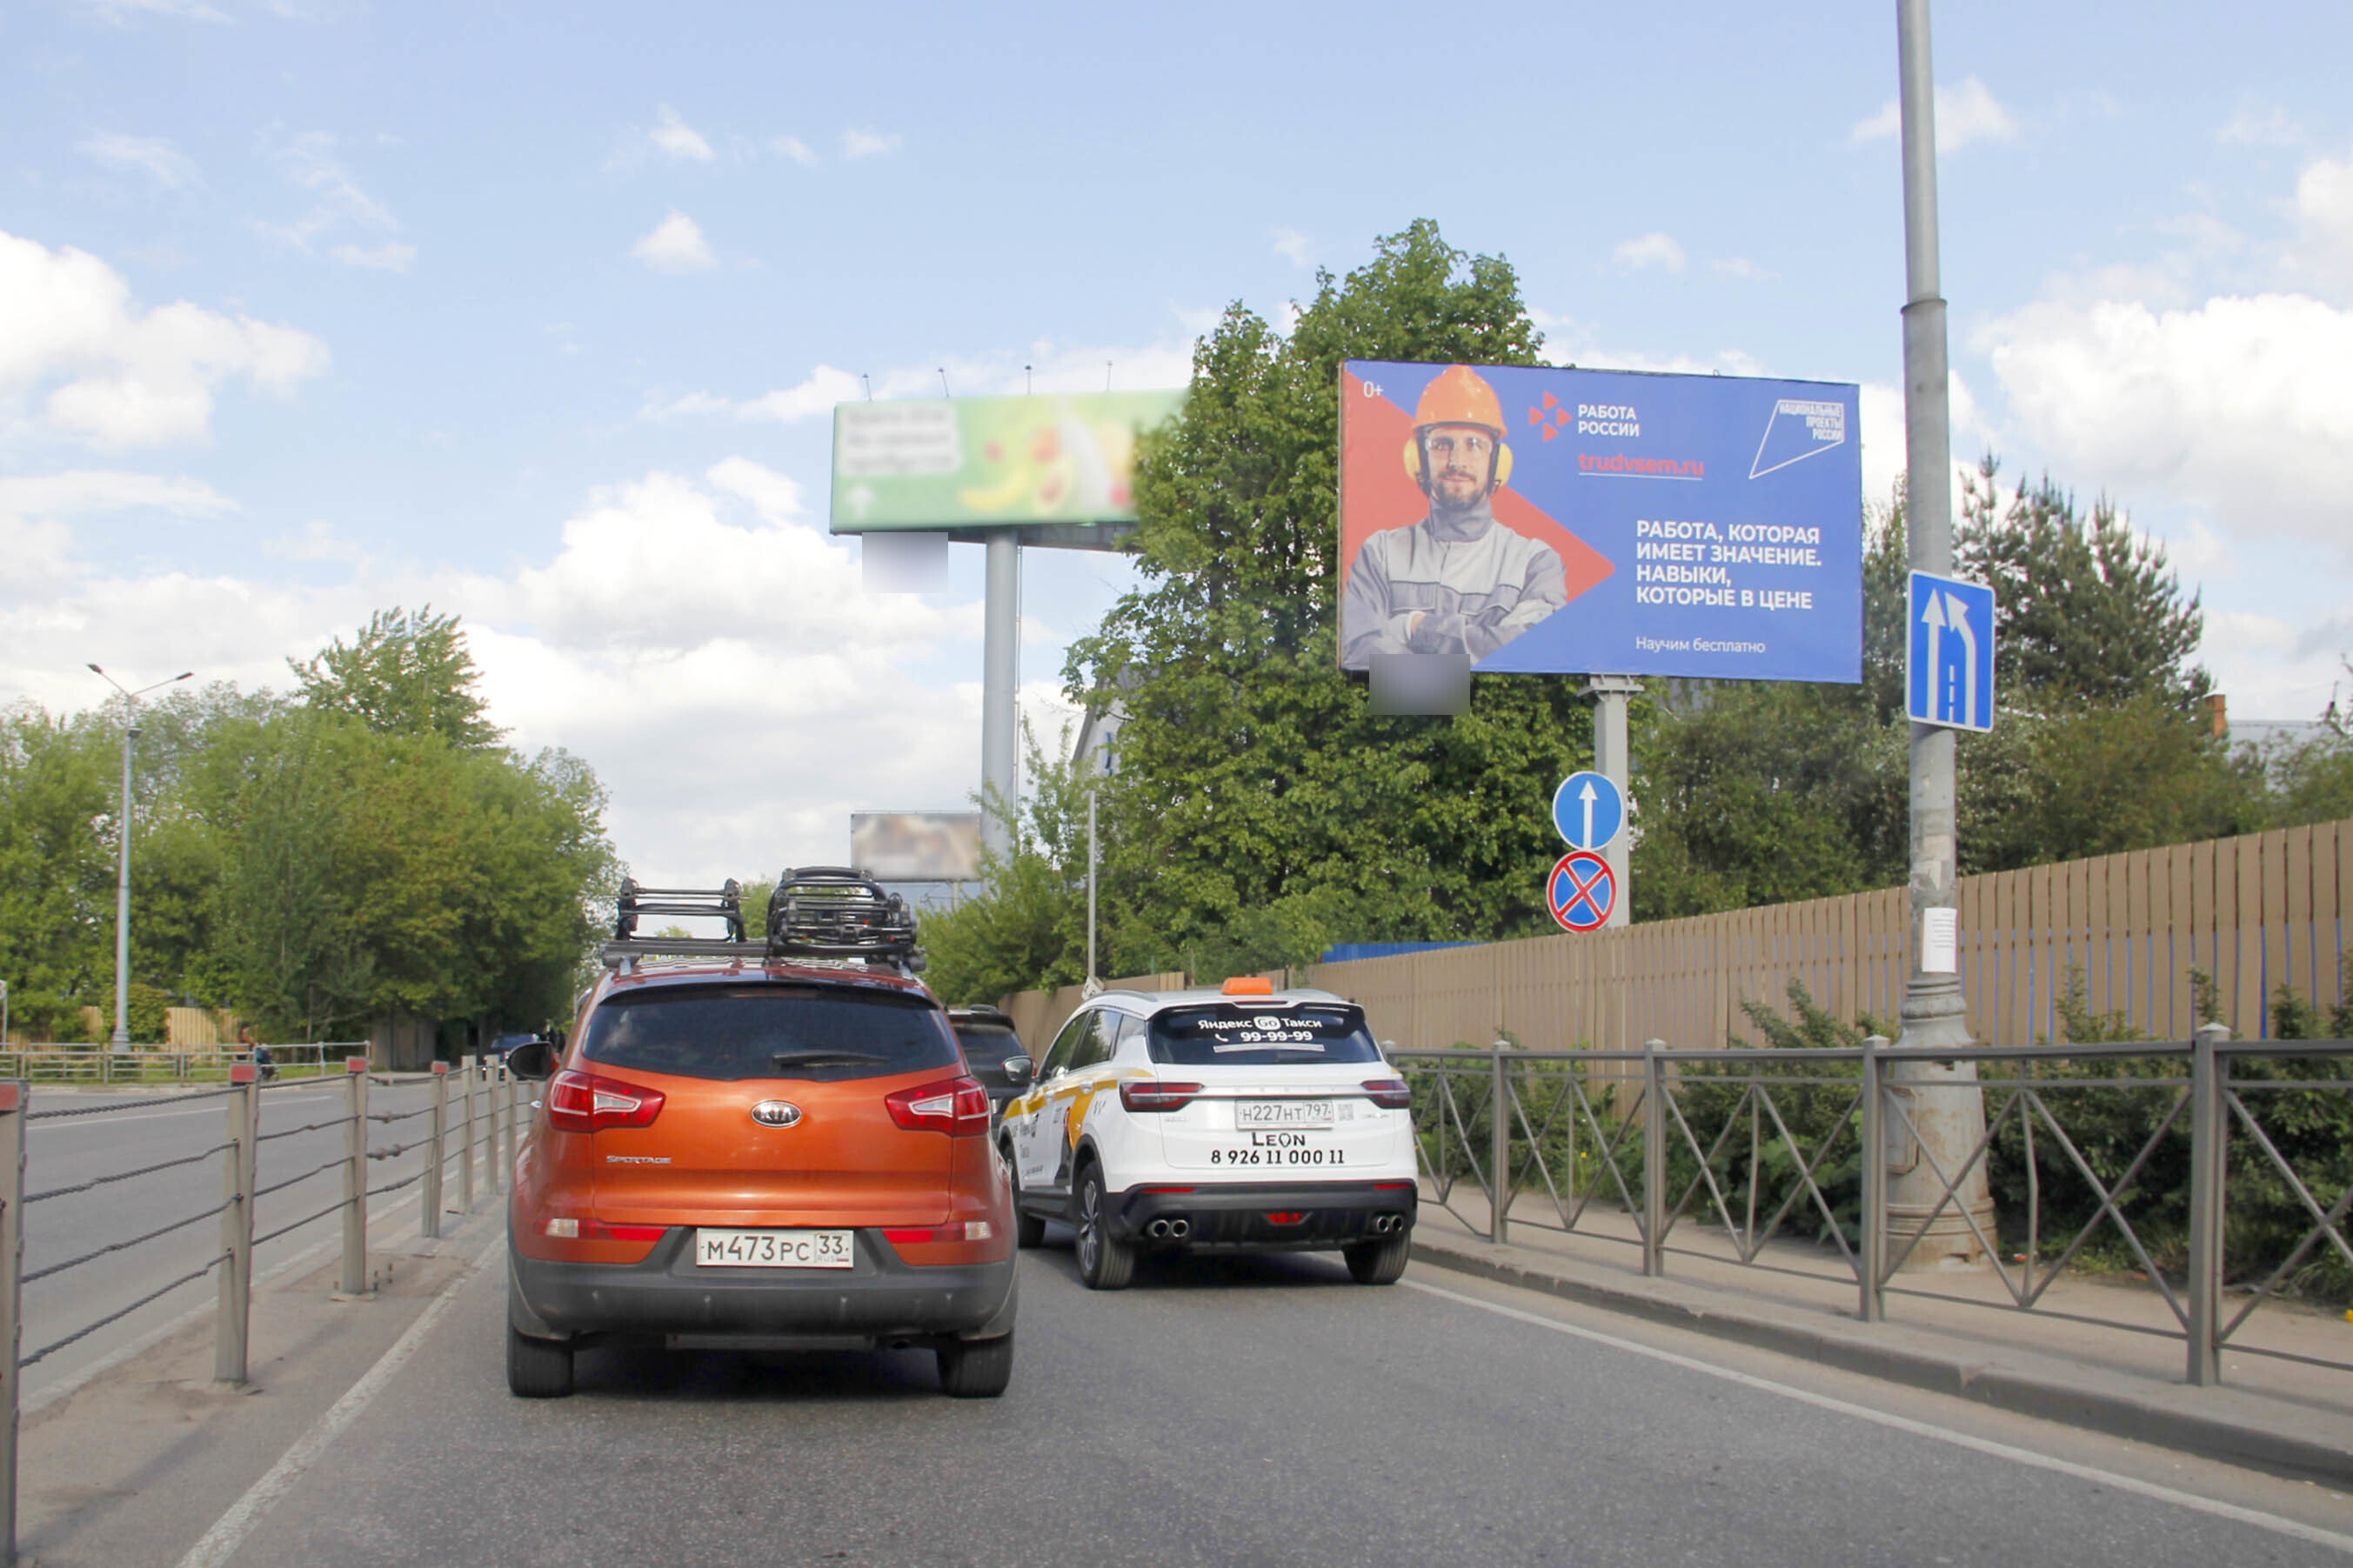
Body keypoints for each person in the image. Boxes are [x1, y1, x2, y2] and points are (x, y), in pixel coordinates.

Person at [1340, 364, 1568, 668]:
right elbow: (1359, 654)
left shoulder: (1535, 563)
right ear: (1418, 458)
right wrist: (1472, 671)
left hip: (1461, 712)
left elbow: (1534, 653)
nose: (1457, 460)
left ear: (1497, 462)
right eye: (1441, 444)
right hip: (1399, 714)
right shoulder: (1379, 554)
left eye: (1474, 445)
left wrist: (1414, 628)